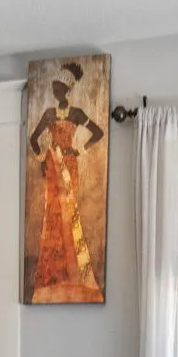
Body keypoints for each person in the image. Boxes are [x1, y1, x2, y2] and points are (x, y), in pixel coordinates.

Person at [26, 62, 105, 303]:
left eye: (58, 88)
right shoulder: (49, 113)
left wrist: (78, 150)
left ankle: (73, 273)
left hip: (69, 167)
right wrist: (42, 157)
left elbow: (98, 133)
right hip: (53, 165)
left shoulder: (77, 113)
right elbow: (33, 138)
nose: (55, 91)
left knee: (69, 215)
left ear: (67, 89)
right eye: (53, 88)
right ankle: (53, 273)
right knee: (53, 216)